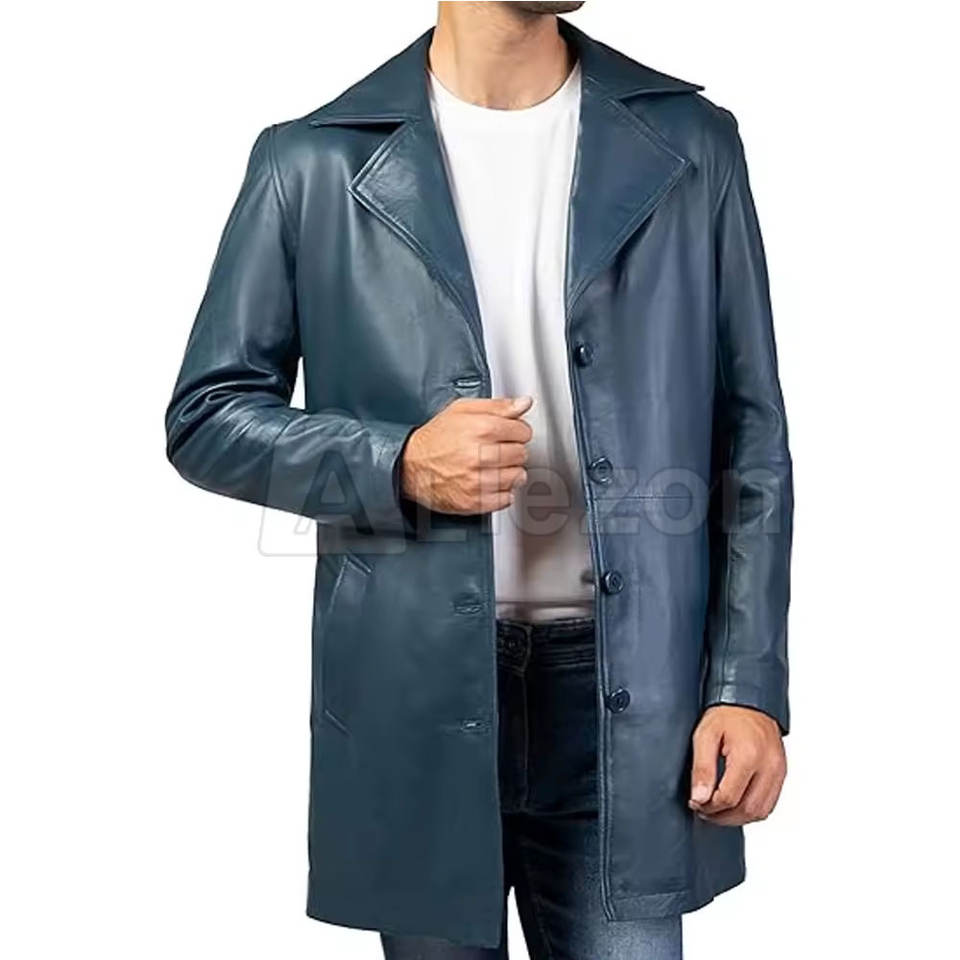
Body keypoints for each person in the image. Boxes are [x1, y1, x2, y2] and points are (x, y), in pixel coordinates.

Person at [165, 3, 792, 958]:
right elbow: (207, 416)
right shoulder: (311, 161)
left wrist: (747, 684)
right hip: (415, 684)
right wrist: (398, 462)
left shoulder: (692, 143)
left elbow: (751, 436)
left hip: (635, 693)